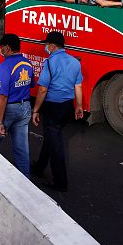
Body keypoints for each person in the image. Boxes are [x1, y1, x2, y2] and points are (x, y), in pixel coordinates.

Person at [30, 31, 83, 192]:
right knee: (51, 137)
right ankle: (39, 167)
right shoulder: (75, 62)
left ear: (52, 46)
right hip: (67, 106)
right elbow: (78, 86)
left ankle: (60, 181)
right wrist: (79, 105)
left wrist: (36, 110)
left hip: (53, 106)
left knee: (56, 144)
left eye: (47, 45)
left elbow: (42, 89)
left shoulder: (50, 63)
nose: (46, 47)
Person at [0, 34, 33, 178]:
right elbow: (30, 85)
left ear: (8, 48)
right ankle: (25, 181)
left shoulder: (5, 65)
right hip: (25, 108)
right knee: (21, 149)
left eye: (1, 46)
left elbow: (3, 96)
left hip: (8, 110)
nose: (0, 49)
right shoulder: (27, 63)